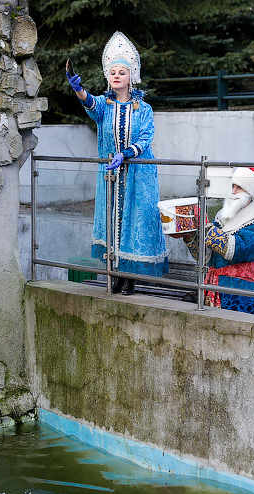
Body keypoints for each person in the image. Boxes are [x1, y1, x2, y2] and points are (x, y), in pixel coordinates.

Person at [66, 31, 168, 296]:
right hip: (111, 175)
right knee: (113, 222)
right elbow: (89, 104)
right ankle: (115, 274)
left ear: (131, 76)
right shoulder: (104, 106)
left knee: (135, 223)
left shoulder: (143, 108)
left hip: (138, 174)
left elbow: (146, 137)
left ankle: (130, 277)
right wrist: (78, 88)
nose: (116, 76)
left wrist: (127, 153)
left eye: (122, 72)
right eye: (113, 72)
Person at [181, 167, 254, 315]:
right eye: (232, 186)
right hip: (213, 288)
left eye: (239, 187)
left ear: (250, 193)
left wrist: (207, 228)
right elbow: (204, 256)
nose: (233, 191)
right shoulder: (222, 216)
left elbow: (235, 250)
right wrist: (189, 235)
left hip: (240, 293)